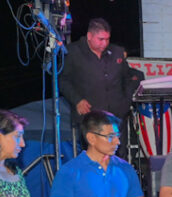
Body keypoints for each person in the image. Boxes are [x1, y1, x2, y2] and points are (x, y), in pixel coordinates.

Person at [59, 18, 144, 157]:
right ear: (89, 36)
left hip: (116, 116)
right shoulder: (73, 52)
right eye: (100, 39)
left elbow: (127, 76)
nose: (104, 43)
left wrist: (126, 100)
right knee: (93, 157)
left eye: (107, 39)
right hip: (90, 118)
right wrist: (77, 100)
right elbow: (63, 80)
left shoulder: (116, 52)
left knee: (118, 156)